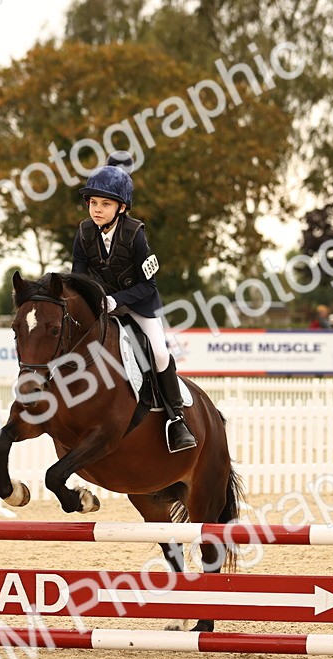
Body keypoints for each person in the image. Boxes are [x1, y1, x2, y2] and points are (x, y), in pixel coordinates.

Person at [71, 151, 196, 452]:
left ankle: (175, 419)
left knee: (160, 354)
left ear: (121, 207)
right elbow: (78, 277)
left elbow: (148, 284)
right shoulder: (83, 233)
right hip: (103, 305)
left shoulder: (136, 235)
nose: (97, 210)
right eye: (93, 203)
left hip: (139, 304)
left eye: (105, 204)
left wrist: (115, 300)